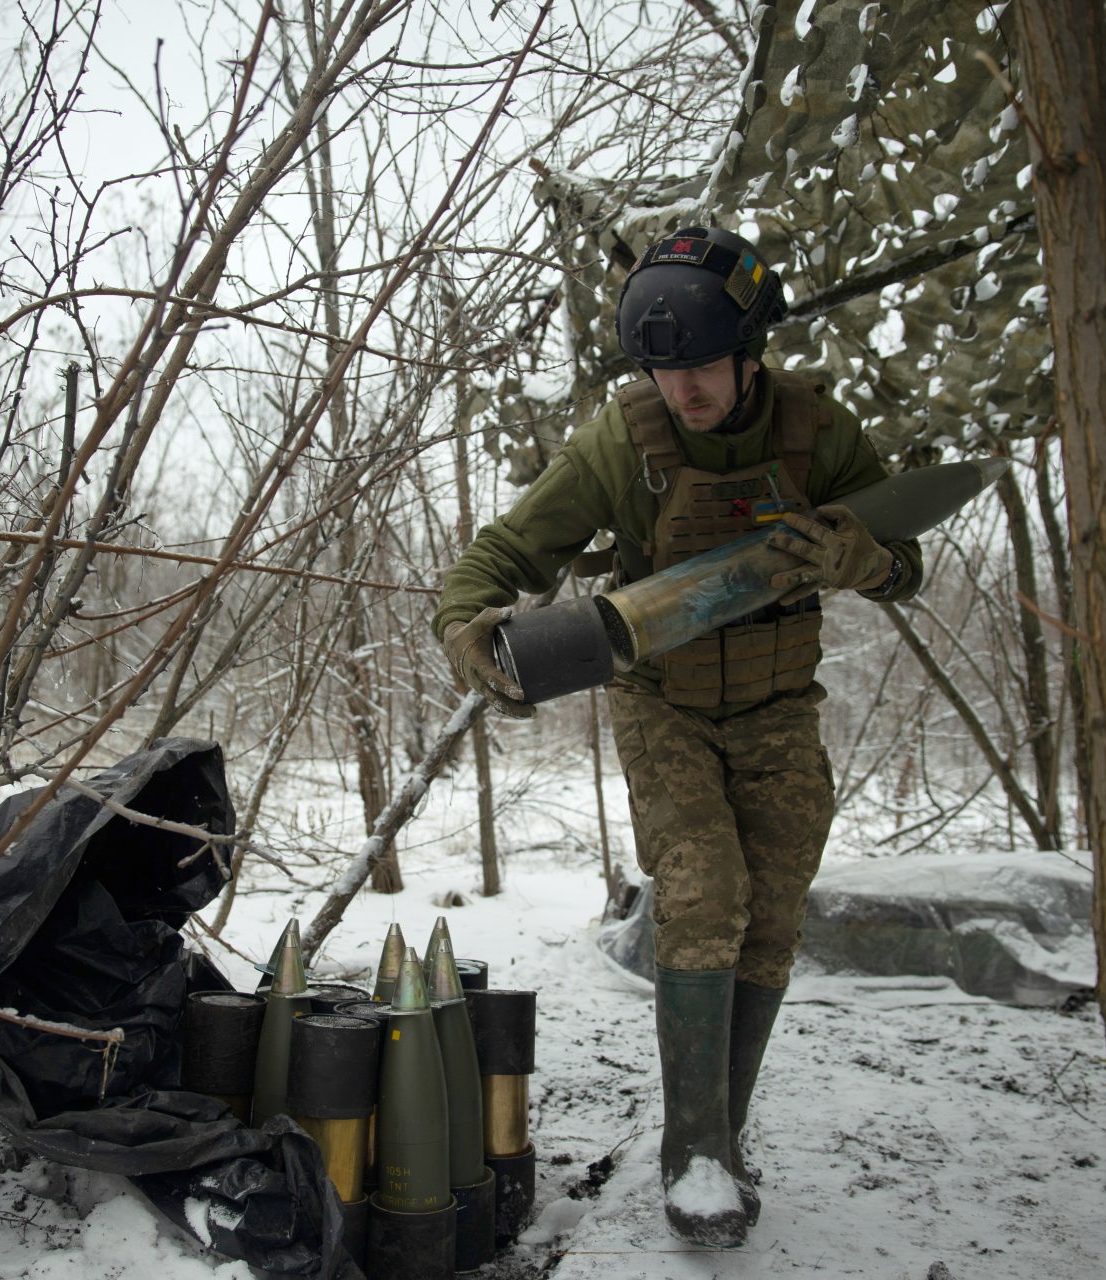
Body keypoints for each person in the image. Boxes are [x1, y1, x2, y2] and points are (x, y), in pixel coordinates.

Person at [432, 225, 923, 1246]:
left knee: (773, 916)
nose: (684, 387)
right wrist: (468, 627)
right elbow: (506, 553)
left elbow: (905, 559)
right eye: (663, 366)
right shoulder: (624, 441)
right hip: (664, 700)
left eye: (700, 363)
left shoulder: (817, 434)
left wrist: (863, 558)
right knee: (706, 898)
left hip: (784, 709)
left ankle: (724, 1129)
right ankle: (694, 1151)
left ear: (750, 351)